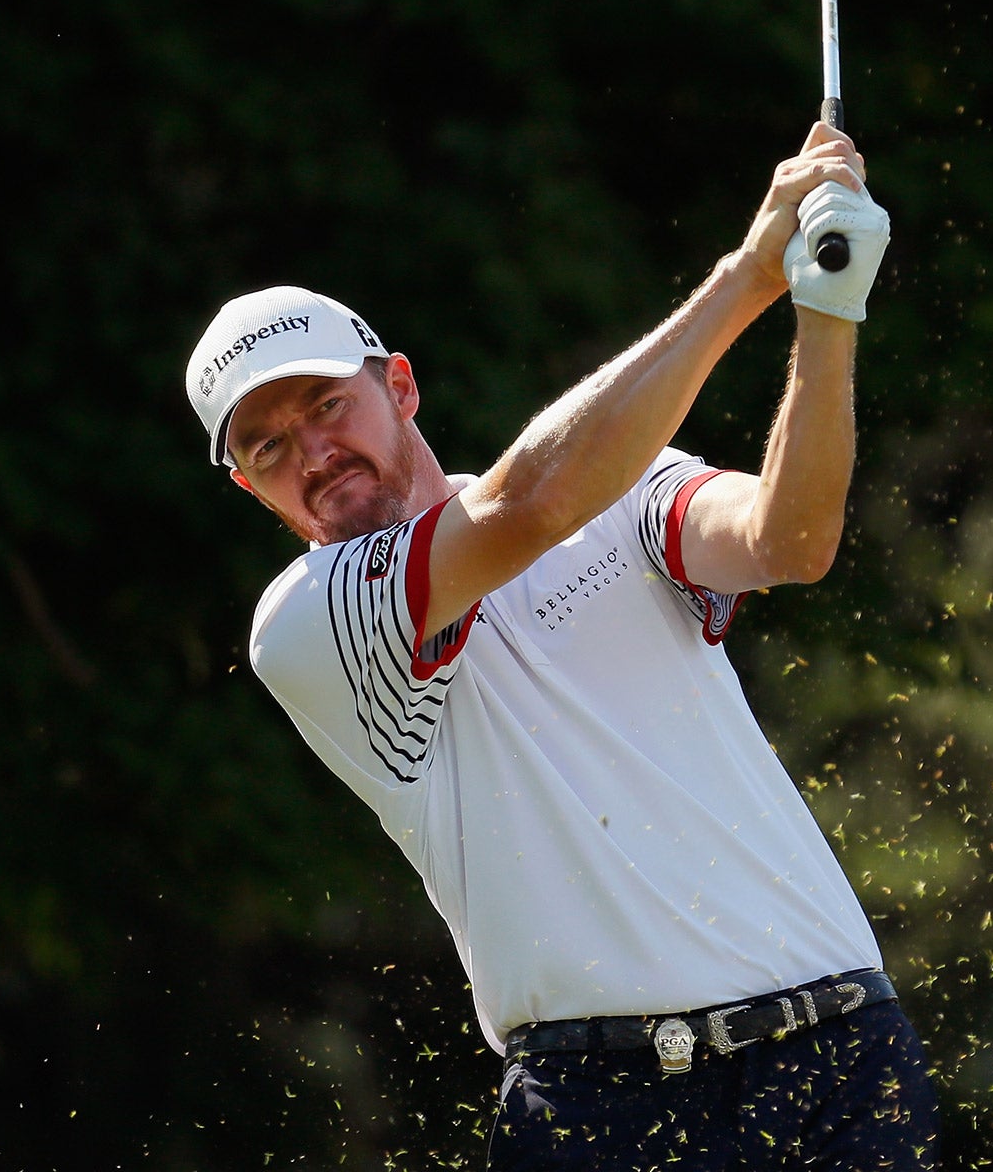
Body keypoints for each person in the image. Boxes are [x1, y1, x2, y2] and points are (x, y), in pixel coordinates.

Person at [183, 124, 937, 1169]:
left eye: (326, 405)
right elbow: (528, 506)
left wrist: (826, 309)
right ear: (246, 485)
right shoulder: (307, 623)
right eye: (269, 446)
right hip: (606, 1106)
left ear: (398, 387)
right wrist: (747, 274)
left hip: (841, 1063)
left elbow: (788, 539)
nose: (315, 452)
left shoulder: (622, 489)